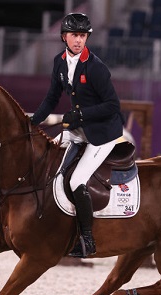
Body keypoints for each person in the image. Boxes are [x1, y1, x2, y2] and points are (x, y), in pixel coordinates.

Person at [30, 12, 126, 258]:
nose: (78, 40)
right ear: (64, 37)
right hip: (78, 129)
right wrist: (31, 122)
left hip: (102, 133)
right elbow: (52, 97)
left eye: (82, 36)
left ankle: (87, 239)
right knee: (48, 164)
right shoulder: (59, 62)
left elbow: (113, 106)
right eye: (74, 35)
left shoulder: (96, 67)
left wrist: (80, 116)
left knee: (75, 181)